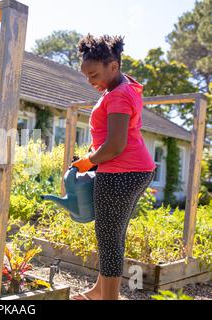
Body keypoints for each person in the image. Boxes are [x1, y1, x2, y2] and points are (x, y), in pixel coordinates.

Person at [71, 34, 156, 300]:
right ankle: (99, 291)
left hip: (121, 171)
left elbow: (116, 145)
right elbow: (111, 137)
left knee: (109, 239)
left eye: (94, 74)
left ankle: (109, 298)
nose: (91, 81)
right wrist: (95, 153)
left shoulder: (119, 95)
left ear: (113, 66)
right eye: (87, 76)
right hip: (132, 169)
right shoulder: (121, 89)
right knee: (112, 233)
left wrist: (88, 161)